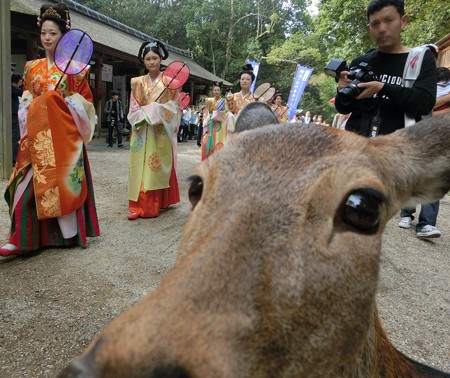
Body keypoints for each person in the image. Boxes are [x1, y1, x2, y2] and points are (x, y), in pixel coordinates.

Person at [0, 3, 100, 257]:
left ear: (63, 36)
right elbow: (26, 97)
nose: (47, 37)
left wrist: (62, 104)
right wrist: (28, 106)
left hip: (63, 137)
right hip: (35, 135)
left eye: (53, 33)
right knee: (26, 184)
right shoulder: (31, 67)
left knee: (61, 182)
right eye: (44, 32)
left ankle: (65, 237)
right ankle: (21, 238)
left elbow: (86, 104)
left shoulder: (77, 70)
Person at [334, 0, 437, 237]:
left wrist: (383, 88)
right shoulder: (362, 61)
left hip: (392, 156)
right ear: (369, 27)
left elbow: (424, 102)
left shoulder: (420, 61)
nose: (382, 28)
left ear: (403, 21)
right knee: (342, 213)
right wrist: (342, 89)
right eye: (375, 23)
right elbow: (342, 107)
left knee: (365, 219)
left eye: (388, 20)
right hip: (355, 149)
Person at [126, 40, 181, 220]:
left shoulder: (170, 82)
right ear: (143, 61)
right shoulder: (137, 83)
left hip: (159, 130)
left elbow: (175, 108)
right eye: (148, 58)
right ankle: (137, 205)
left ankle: (151, 206)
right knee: (139, 166)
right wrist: (144, 113)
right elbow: (133, 109)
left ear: (161, 59)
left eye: (155, 58)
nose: (152, 62)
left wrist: (157, 110)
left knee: (154, 166)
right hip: (142, 129)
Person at [398, 66, 450, 238]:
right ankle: (406, 214)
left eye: (445, 84)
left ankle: (426, 224)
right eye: (440, 84)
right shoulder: (422, 89)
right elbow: (428, 108)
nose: (443, 85)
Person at [224, 64, 255, 133]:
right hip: (233, 131)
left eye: (248, 79)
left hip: (248, 131)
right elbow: (226, 113)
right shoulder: (232, 97)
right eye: (242, 79)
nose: (245, 81)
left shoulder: (255, 99)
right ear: (240, 81)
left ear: (252, 82)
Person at [201, 82, 227, 160]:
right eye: (215, 90)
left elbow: (226, 112)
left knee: (218, 143)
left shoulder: (224, 101)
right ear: (213, 91)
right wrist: (208, 117)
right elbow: (206, 111)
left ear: (220, 91)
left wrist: (217, 114)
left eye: (218, 90)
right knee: (206, 143)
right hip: (210, 123)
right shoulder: (209, 100)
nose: (216, 92)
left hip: (220, 125)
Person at [11, 73, 24, 164]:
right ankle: (15, 159)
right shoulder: (10, 88)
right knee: (15, 138)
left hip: (11, 114)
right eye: (19, 82)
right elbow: (20, 92)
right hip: (13, 115)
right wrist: (25, 83)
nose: (20, 84)